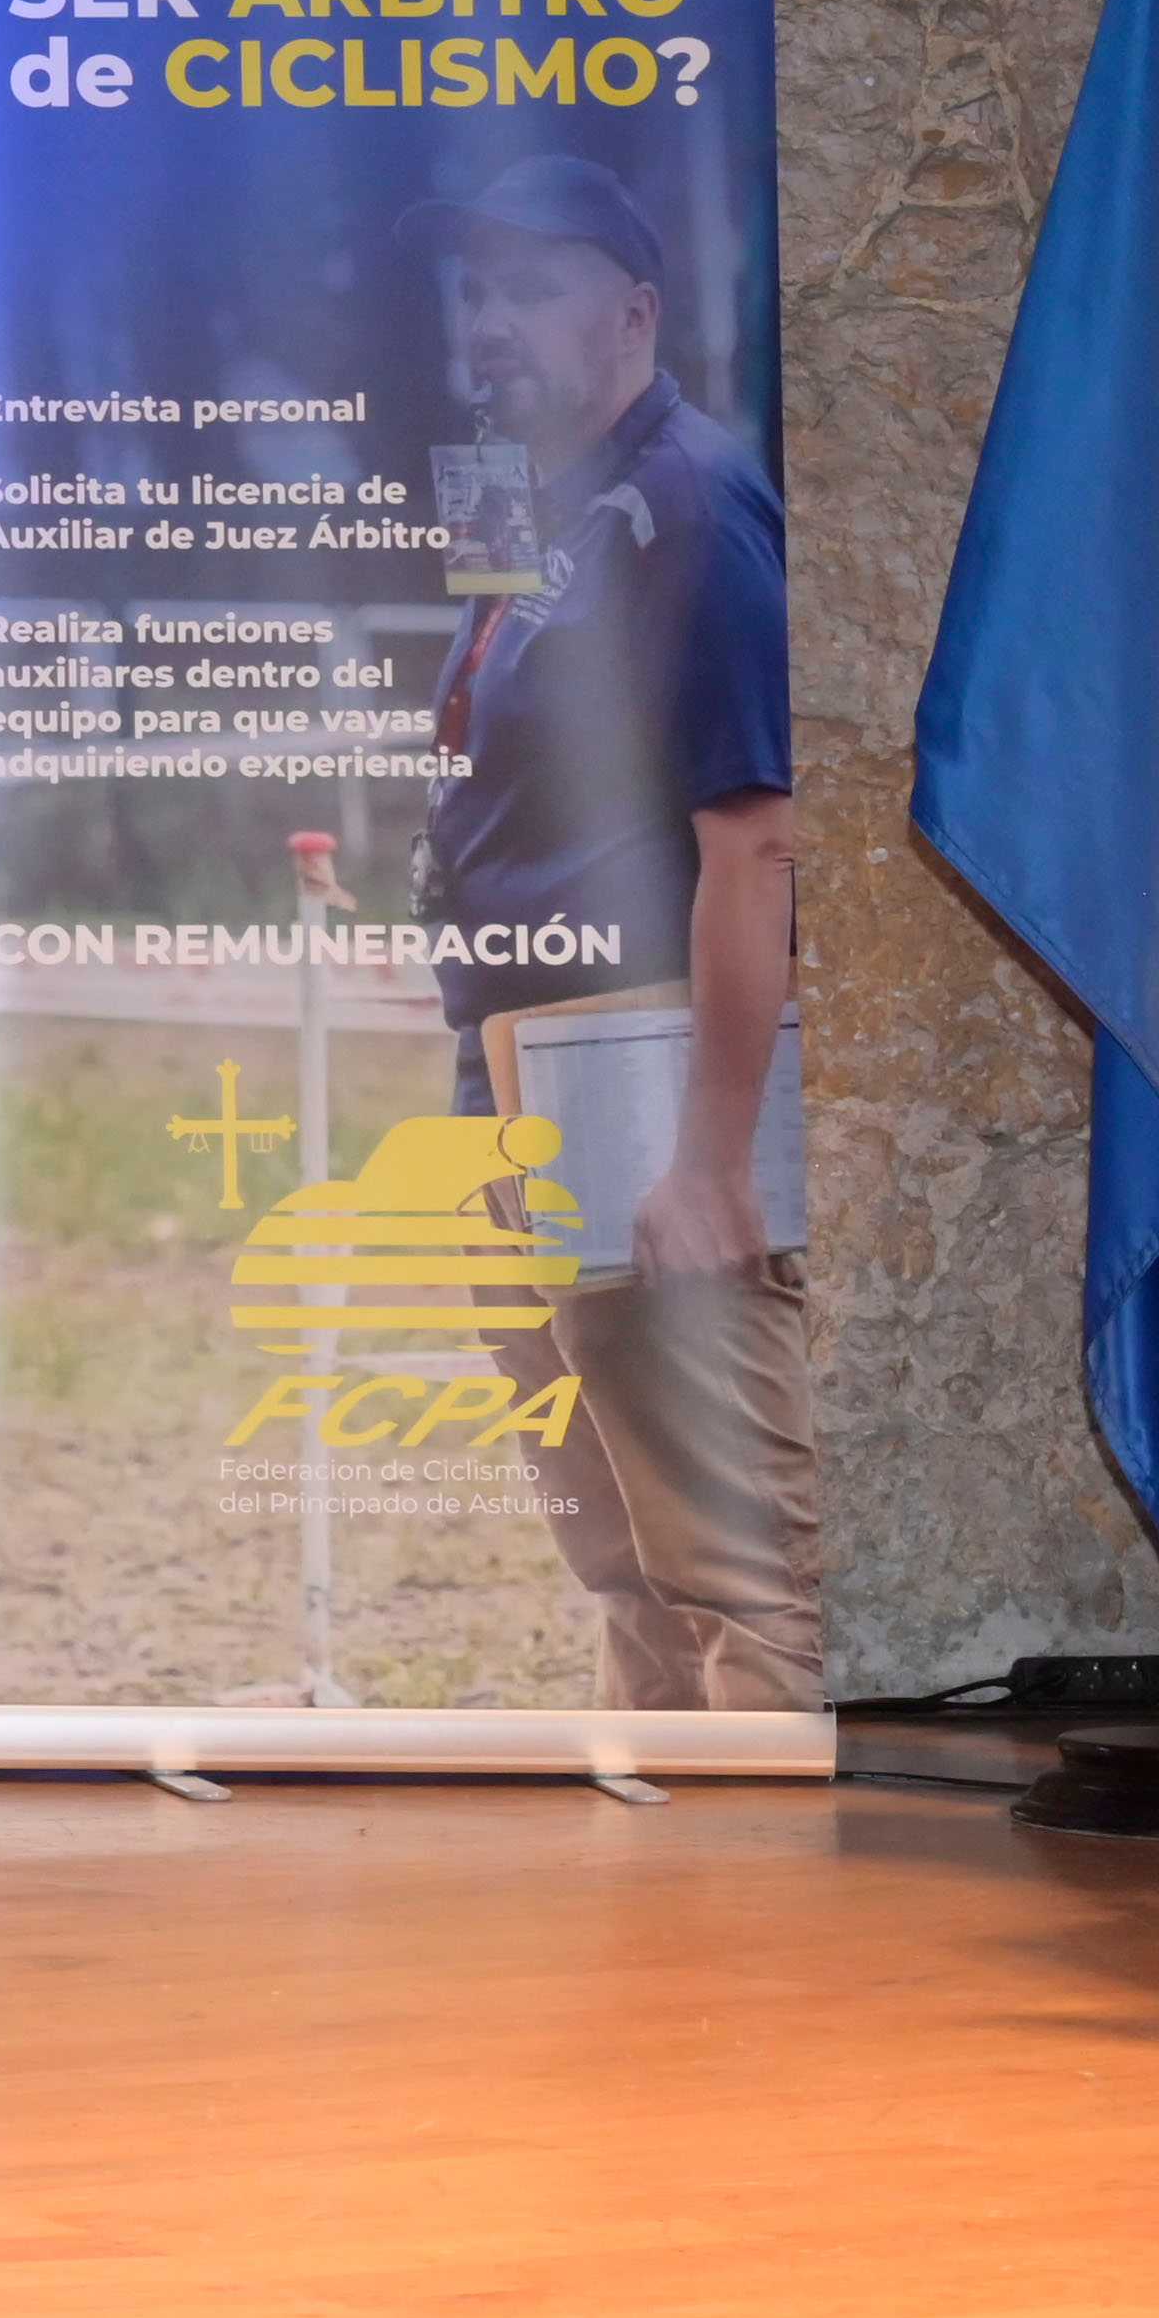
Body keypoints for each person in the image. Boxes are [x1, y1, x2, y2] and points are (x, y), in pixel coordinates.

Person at [411, 153, 813, 1711]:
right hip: (511, 1067)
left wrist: (709, 1159)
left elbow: (759, 842)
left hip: (632, 1066)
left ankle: (762, 1923)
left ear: (637, 311)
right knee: (620, 1548)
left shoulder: (692, 507)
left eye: (533, 283)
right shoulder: (542, 504)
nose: (490, 320)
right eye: (476, 288)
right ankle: (663, 1906)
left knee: (734, 1561)